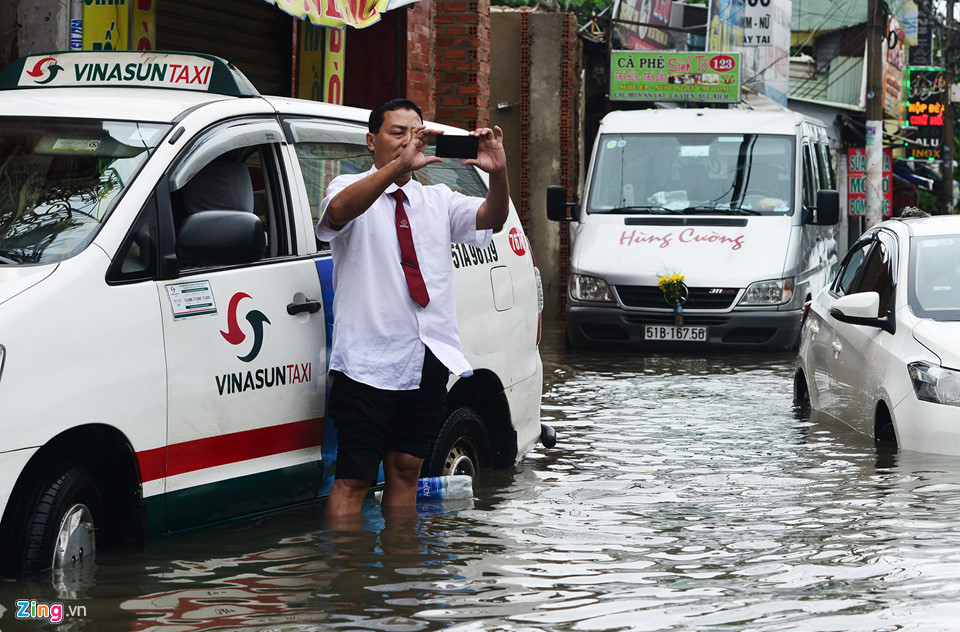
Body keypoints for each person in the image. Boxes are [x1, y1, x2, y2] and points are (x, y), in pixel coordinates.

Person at [316, 98, 510, 520]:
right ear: (372, 140)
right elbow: (336, 214)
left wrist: (498, 174)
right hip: (366, 360)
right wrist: (399, 168)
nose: (407, 141)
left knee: (406, 470)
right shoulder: (347, 188)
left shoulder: (438, 199)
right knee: (354, 478)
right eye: (396, 132)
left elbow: (492, 217)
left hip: (426, 355)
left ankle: (402, 575)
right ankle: (349, 581)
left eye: (414, 133)